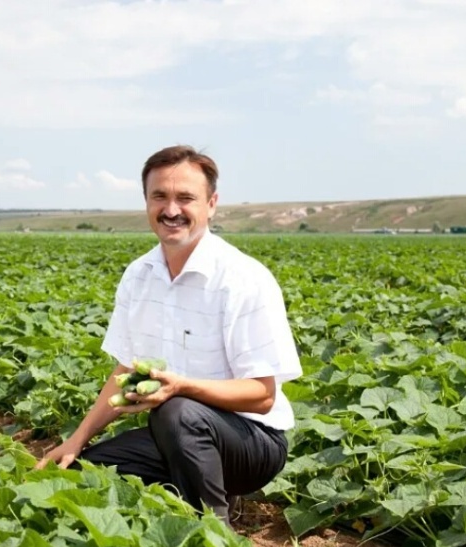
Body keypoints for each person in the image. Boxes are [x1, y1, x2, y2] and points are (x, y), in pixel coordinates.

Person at [35, 145, 302, 525]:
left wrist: (180, 387)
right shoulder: (139, 275)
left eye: (186, 198)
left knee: (176, 412)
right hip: (179, 437)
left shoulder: (243, 279)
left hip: (252, 443)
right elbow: (125, 368)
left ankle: (215, 535)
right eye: (160, 196)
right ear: (146, 202)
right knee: (84, 476)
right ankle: (186, 495)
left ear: (211, 204)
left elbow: (261, 396)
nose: (171, 209)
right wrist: (77, 441)